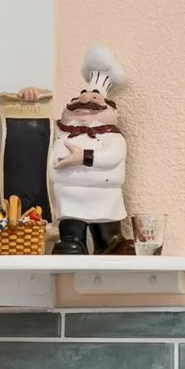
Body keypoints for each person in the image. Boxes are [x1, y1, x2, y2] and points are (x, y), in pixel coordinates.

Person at [49, 47, 129, 255]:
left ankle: (110, 243)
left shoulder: (113, 137)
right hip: (70, 195)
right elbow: (54, 164)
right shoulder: (62, 134)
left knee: (107, 221)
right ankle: (72, 241)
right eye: (80, 101)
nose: (85, 103)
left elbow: (112, 158)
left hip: (105, 195)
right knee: (71, 223)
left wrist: (82, 157)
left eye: (94, 104)